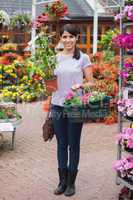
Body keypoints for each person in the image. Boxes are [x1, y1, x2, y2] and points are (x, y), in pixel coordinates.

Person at [51, 24, 93, 197]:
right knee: (61, 145)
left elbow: (92, 82)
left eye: (71, 36)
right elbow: (51, 84)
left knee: (73, 145)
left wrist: (80, 85)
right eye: (64, 36)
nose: (67, 40)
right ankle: (61, 181)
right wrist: (46, 85)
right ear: (61, 38)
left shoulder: (83, 58)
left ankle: (71, 183)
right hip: (57, 105)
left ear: (77, 38)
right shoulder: (55, 58)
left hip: (75, 105)